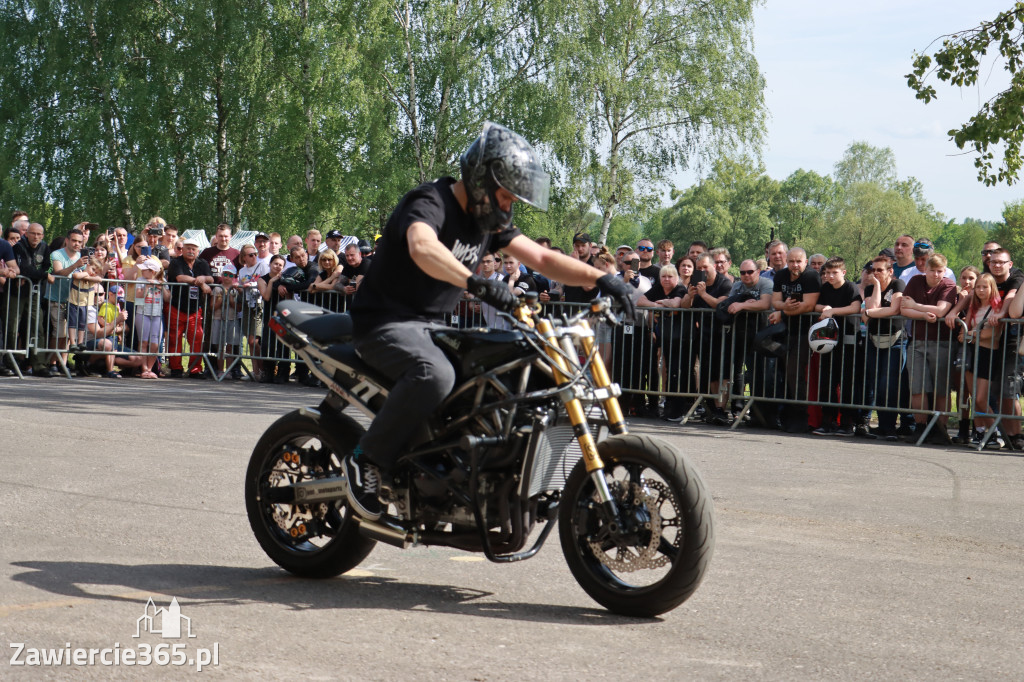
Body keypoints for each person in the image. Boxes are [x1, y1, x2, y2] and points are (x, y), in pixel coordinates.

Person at [343, 121, 635, 520]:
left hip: (433, 327)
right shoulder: (431, 201)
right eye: (505, 196)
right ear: (481, 179)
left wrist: (603, 278)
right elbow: (422, 245)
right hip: (385, 323)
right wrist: (475, 282)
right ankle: (367, 459)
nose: (509, 206)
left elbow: (544, 259)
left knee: (500, 373)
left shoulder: (489, 222)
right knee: (436, 375)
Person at [900, 253, 958, 444]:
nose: (936, 274)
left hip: (942, 342)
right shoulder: (916, 281)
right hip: (917, 341)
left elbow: (941, 310)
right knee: (918, 388)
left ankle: (940, 430)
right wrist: (924, 315)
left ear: (945, 270)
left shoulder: (948, 285)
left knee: (941, 389)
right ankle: (920, 428)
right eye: (932, 270)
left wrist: (916, 306)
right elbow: (903, 309)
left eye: (940, 271)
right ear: (925, 269)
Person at [768, 247, 821, 432]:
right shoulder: (781, 276)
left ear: (805, 262)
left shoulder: (811, 277)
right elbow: (775, 301)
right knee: (786, 373)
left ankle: (803, 414)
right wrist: (784, 306)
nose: (795, 265)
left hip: (805, 332)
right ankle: (790, 413)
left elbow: (808, 305)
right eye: (791, 261)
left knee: (796, 373)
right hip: (786, 332)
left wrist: (783, 311)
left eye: (798, 261)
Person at [811, 257, 863, 436]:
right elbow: (816, 305)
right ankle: (828, 421)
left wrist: (832, 310)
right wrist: (824, 307)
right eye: (827, 273)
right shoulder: (825, 288)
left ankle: (847, 423)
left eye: (834, 273)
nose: (830, 276)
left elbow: (855, 307)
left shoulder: (850, 287)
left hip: (848, 341)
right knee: (827, 381)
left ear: (844, 273)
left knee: (847, 382)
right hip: (828, 340)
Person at [681, 252, 732, 425]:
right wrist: (691, 295)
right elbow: (685, 306)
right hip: (703, 333)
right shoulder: (695, 283)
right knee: (710, 373)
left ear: (713, 266)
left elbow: (722, 305)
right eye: (699, 268)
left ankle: (722, 408)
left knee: (723, 372)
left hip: (723, 334)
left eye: (705, 267)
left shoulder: (724, 282)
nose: (702, 271)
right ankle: (713, 408)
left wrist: (703, 295)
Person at [861, 255, 905, 440]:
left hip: (895, 340)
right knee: (876, 382)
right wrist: (877, 286)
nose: (876, 273)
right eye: (873, 270)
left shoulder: (898, 285)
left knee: (889, 383)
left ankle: (889, 427)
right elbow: (876, 306)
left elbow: (894, 309)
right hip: (873, 339)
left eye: (880, 270)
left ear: (890, 271)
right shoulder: (871, 287)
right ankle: (880, 425)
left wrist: (870, 313)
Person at [961, 274, 1005, 449]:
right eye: (978, 287)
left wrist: (971, 334)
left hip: (988, 354)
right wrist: (971, 334)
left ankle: (996, 432)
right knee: (973, 396)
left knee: (981, 398)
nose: (980, 290)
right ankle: (979, 431)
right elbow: (962, 332)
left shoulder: (997, 308)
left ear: (991, 288)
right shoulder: (974, 306)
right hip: (972, 353)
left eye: (984, 287)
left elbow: (993, 334)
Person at [638, 265, 687, 421]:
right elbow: (640, 301)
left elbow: (676, 304)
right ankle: (666, 406)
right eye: (663, 276)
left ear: (676, 278)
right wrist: (659, 304)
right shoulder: (658, 288)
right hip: (664, 334)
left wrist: (665, 303)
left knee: (676, 370)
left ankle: (676, 409)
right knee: (665, 369)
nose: (666, 279)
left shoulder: (680, 289)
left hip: (681, 336)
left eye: (670, 277)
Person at [166, 237, 214, 378]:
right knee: (175, 339)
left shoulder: (202, 263)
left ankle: (195, 368)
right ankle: (175, 368)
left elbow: (211, 278)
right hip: (176, 306)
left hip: (195, 309)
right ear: (183, 249)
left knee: (197, 338)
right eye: (188, 248)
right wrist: (199, 282)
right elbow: (180, 278)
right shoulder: (176, 262)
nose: (191, 251)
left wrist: (204, 279)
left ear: (198, 251)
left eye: (194, 249)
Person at [133, 258, 167, 379]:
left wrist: (161, 287)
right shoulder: (140, 280)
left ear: (152, 271)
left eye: (145, 270)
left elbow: (168, 298)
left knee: (155, 343)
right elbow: (138, 296)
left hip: (157, 314)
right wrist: (147, 287)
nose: (142, 271)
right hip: (143, 313)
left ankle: (150, 368)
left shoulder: (162, 280)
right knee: (143, 342)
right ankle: (144, 369)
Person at [258, 255, 289, 383]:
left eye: (280, 265)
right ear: (270, 264)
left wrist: (283, 283)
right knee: (267, 344)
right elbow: (266, 296)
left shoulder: (286, 279)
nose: (277, 267)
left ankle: (282, 373)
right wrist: (272, 282)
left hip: (283, 316)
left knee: (283, 344)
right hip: (269, 315)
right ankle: (268, 372)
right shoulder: (263, 279)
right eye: (275, 263)